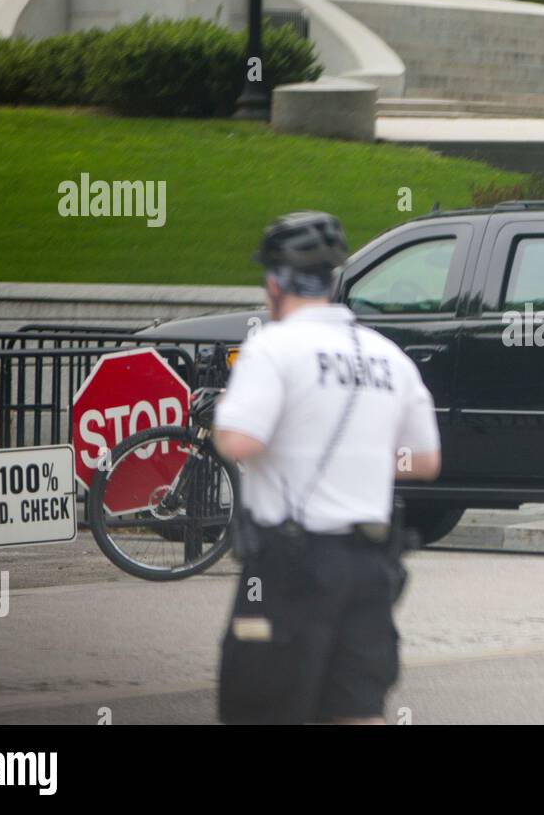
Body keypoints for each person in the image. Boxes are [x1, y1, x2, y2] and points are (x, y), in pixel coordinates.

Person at [212, 211, 441, 725]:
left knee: (262, 706)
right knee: (356, 709)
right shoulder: (388, 357)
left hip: (291, 564)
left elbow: (238, 441)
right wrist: (364, 458)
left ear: (274, 283)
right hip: (370, 567)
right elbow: (425, 460)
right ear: (333, 280)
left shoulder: (273, 347)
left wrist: (224, 415)